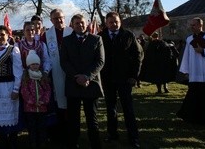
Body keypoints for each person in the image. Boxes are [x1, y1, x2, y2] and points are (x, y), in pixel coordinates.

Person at [60, 14, 104, 149]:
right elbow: (64, 62)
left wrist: (86, 76)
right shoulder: (66, 41)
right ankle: (73, 143)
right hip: (73, 84)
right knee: (73, 119)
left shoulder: (96, 39)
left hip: (91, 84)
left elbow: (100, 61)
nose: (80, 25)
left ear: (87, 24)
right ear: (72, 25)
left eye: (82, 22)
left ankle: (95, 144)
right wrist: (77, 77)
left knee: (92, 119)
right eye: (77, 23)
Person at [99, 11, 143, 148]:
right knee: (110, 109)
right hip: (107, 79)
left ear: (120, 22)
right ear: (106, 23)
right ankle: (112, 134)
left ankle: (133, 137)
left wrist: (134, 76)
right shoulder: (100, 37)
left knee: (128, 109)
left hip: (125, 79)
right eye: (111, 22)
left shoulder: (128, 35)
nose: (114, 24)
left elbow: (138, 56)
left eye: (116, 21)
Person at [177, 17, 205, 126]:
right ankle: (194, 118)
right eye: (191, 25)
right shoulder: (189, 39)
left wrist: (203, 51)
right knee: (195, 96)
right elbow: (186, 55)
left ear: (201, 25)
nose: (192, 27)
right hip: (195, 72)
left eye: (194, 25)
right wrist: (186, 70)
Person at [42, 8, 73, 144]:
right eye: (55, 19)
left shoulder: (71, 32)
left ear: (64, 18)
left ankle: (72, 132)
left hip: (72, 73)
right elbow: (44, 55)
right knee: (59, 103)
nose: (59, 20)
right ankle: (60, 132)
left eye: (60, 17)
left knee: (72, 103)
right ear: (51, 20)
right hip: (55, 73)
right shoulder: (47, 35)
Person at [20, 50, 51, 149]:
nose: (35, 66)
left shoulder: (42, 77)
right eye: (32, 64)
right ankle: (33, 143)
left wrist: (44, 101)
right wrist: (33, 102)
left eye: (37, 64)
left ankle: (42, 143)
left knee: (41, 127)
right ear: (29, 65)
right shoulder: (26, 77)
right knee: (32, 128)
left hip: (42, 108)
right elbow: (25, 92)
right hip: (30, 109)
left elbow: (47, 90)